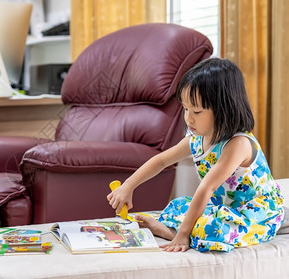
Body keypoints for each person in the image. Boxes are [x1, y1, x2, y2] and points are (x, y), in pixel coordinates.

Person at [107, 58, 285, 253]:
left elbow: (207, 187)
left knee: (212, 230)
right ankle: (176, 228)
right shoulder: (196, 139)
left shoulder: (238, 144)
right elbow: (161, 160)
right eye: (185, 108)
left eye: (197, 111)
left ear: (224, 109)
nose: (188, 118)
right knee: (177, 206)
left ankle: (170, 232)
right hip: (220, 208)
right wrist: (128, 186)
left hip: (255, 214)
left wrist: (183, 234)